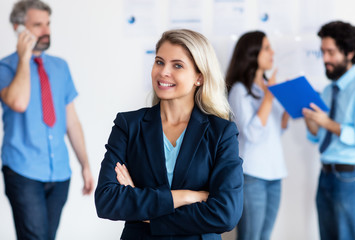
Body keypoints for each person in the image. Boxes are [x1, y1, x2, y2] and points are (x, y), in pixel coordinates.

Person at [95, 29, 243, 239]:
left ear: (199, 77)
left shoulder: (221, 132)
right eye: (159, 62)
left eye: (177, 65)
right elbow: (107, 200)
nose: (163, 72)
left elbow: (226, 213)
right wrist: (186, 197)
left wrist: (147, 213)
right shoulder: (129, 125)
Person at [0, 0, 94, 239]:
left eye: (48, 24)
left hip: (60, 173)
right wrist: (24, 58)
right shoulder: (6, 67)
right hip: (23, 171)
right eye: (38, 25)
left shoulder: (60, 67)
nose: (46, 31)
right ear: (18, 28)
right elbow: (18, 102)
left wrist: (84, 164)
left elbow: (71, 121)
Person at [226, 31, 289, 240]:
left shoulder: (268, 88)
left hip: (275, 173)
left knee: (264, 236)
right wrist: (269, 98)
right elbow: (252, 133)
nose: (272, 52)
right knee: (250, 237)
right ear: (252, 53)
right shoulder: (239, 90)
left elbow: (277, 129)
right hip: (252, 175)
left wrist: (290, 105)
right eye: (267, 47)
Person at [302, 21, 355, 240]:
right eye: (322, 52)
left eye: (330, 52)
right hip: (325, 174)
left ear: (350, 52)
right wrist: (311, 120)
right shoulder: (327, 90)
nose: (325, 59)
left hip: (349, 177)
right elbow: (318, 137)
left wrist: (326, 123)